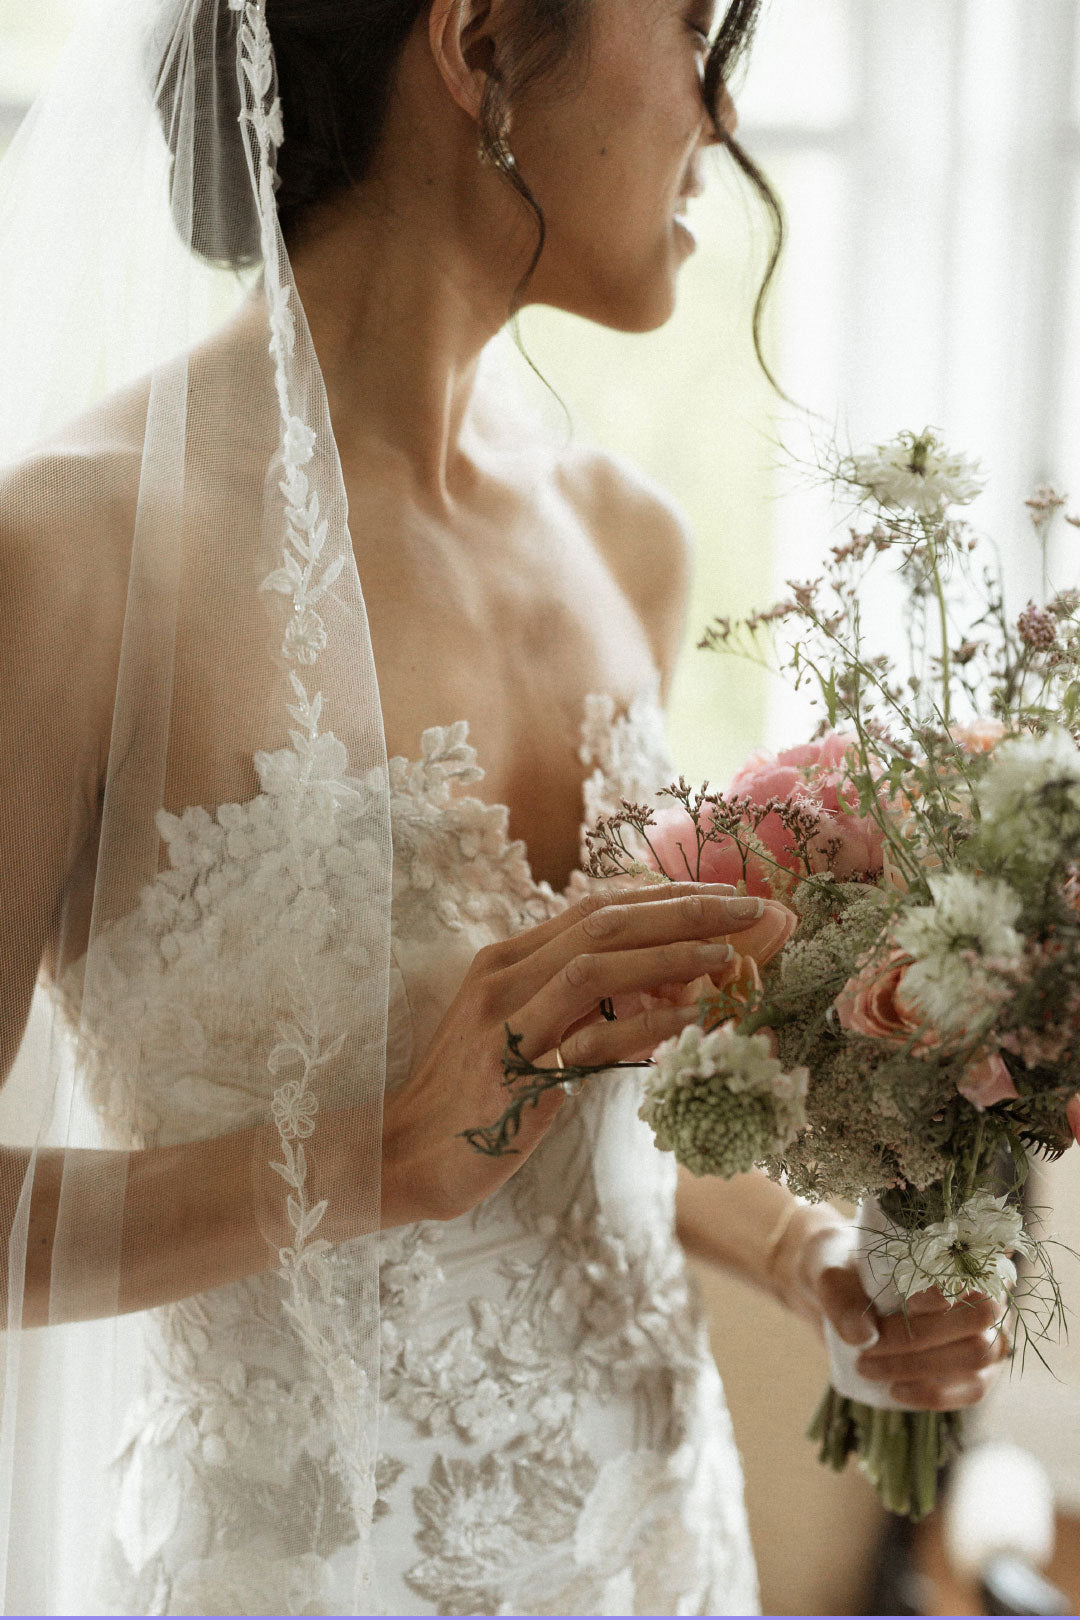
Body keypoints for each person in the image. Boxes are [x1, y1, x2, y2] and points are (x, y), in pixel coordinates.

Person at [0, 0, 1009, 1613]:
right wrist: (373, 1153)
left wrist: (812, 1265)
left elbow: (583, 1124)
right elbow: (437, 1143)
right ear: (474, 45)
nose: (724, 110)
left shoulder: (633, 547)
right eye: (690, 24)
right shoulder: (73, 558)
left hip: (659, 1551)